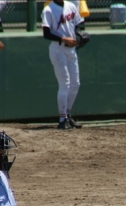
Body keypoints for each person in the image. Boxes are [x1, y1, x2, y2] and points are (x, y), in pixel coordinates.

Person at [41, 0, 85, 130]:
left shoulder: (71, 6)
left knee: (75, 83)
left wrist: (79, 35)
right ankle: (62, 119)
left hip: (71, 50)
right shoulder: (48, 10)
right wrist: (63, 39)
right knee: (65, 83)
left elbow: (77, 25)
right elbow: (46, 33)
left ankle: (67, 115)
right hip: (58, 49)